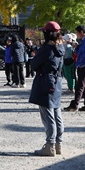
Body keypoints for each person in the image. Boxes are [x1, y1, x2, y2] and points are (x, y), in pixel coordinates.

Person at [29, 21, 65, 157]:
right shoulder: (61, 47)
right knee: (57, 114)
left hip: (45, 82)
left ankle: (49, 146)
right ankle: (58, 144)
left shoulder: (46, 49)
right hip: (57, 82)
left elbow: (34, 64)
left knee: (48, 115)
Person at [64, 25, 85, 112]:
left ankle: (75, 105)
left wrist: (79, 64)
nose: (76, 34)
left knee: (79, 87)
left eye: (77, 32)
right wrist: (76, 46)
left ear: (81, 32)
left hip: (84, 67)